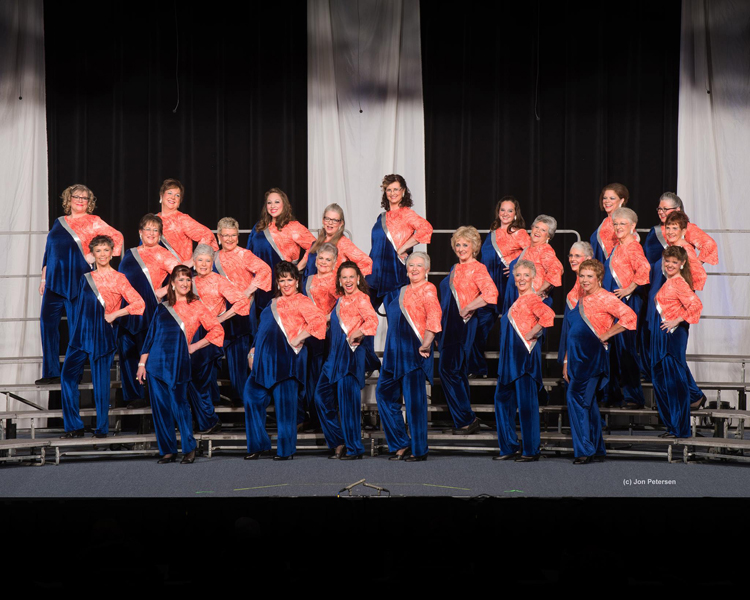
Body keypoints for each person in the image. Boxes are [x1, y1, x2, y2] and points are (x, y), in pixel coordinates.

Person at [136, 266, 224, 464]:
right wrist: (142, 364)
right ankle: (168, 450)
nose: (184, 283)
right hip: (155, 365)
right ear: (172, 284)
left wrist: (194, 347)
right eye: (180, 280)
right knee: (161, 409)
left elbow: (217, 331)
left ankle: (189, 447)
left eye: (187, 279)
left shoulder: (197, 305)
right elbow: (150, 337)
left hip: (178, 364)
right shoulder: (162, 307)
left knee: (180, 406)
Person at [37, 184, 124, 385]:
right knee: (47, 325)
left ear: (89, 202)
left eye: (84, 198)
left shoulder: (93, 221)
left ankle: (72, 372)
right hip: (54, 282)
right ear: (69, 199)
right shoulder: (59, 222)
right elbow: (48, 253)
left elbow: (117, 237)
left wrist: (95, 256)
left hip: (79, 281)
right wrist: (44, 278)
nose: (80, 200)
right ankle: (51, 372)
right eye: (76, 196)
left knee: (77, 328)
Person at [60, 236, 144, 438]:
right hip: (80, 335)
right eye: (98, 250)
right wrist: (74, 334)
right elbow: (79, 308)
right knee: (67, 377)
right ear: (93, 254)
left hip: (102, 335)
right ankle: (74, 426)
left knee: (100, 382)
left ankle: (102, 428)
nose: (103, 254)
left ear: (112, 251)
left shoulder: (119, 278)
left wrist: (116, 314)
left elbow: (139, 304)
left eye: (106, 250)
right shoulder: (85, 277)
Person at [243, 262, 326, 460]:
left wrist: (299, 337)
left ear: (297, 281)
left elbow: (320, 323)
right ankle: (259, 445)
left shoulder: (302, 301)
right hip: (263, 363)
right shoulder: (272, 303)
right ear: (278, 283)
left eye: (290, 279)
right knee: (251, 398)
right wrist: (252, 351)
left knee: (285, 407)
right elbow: (261, 331)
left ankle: (286, 450)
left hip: (287, 361)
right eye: (282, 280)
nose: (286, 283)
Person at [562, 259, 637, 464]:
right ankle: (597, 448)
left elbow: (630, 318)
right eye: (582, 276)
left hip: (592, 357)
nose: (584, 280)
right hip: (576, 359)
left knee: (576, 399)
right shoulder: (581, 300)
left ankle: (584, 450)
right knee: (588, 404)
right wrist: (567, 361)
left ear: (599, 278)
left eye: (589, 276)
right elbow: (572, 333)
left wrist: (605, 335)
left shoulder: (606, 298)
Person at [376, 252, 442, 462]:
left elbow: (434, 315)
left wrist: (427, 342)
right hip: (393, 355)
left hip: (414, 353)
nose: (414, 269)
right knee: (384, 396)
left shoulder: (428, 289)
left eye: (419, 265)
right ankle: (401, 443)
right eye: (411, 265)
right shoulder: (401, 290)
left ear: (427, 269)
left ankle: (419, 449)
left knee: (415, 405)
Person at [315, 262, 379, 460]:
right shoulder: (341, 300)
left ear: (358, 278)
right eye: (344, 277)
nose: (348, 281)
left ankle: (354, 448)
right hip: (333, 359)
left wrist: (358, 332)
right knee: (320, 398)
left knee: (348, 405)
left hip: (350, 357)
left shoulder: (362, 298)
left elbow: (372, 321)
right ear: (340, 281)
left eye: (352, 277)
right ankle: (339, 441)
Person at [438, 226, 498, 434]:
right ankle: (464, 419)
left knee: (449, 370)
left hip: (462, 325)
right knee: (456, 372)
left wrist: (469, 306)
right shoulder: (455, 267)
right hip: (449, 326)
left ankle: (466, 419)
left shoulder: (477, 268)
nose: (461, 248)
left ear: (474, 247)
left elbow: (491, 294)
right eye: (458, 244)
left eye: (465, 244)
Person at [493, 260, 555, 461]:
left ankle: (530, 450)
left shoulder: (533, 299)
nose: (521, 279)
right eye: (517, 275)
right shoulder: (516, 301)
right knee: (502, 402)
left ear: (533, 278)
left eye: (525, 275)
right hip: (507, 362)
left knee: (527, 407)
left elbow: (549, 316)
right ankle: (509, 446)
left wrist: (533, 332)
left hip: (524, 360)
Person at [118, 214, 180, 409]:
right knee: (126, 352)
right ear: (140, 232)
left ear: (160, 235)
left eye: (156, 230)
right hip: (126, 310)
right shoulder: (130, 253)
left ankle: (156, 396)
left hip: (148, 310)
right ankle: (134, 396)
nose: (151, 233)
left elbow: (182, 275)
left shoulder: (163, 254)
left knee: (149, 354)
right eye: (148, 229)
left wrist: (161, 291)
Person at [190, 244, 250, 433]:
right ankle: (202, 419)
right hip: (191, 335)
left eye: (208, 260)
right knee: (194, 379)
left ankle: (209, 420)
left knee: (201, 379)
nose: (204, 264)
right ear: (194, 262)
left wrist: (221, 318)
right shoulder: (188, 281)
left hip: (211, 335)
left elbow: (242, 302)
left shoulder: (219, 281)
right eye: (200, 260)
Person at [214, 217, 273, 402]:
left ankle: (249, 398)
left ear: (238, 237)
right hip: (221, 311)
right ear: (219, 236)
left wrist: (247, 291)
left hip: (243, 311)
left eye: (233, 235)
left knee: (243, 357)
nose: (229, 239)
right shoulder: (214, 256)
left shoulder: (244, 254)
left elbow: (265, 270)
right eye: (226, 235)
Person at [472, 196, 530, 376]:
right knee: (477, 327)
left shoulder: (519, 232)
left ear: (515, 214)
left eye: (509, 210)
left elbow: (531, 252)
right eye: (502, 210)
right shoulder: (492, 233)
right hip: (489, 286)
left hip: (508, 285)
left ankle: (511, 370)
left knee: (510, 328)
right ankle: (478, 368)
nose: (505, 214)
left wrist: (515, 264)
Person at [650, 246, 703, 438]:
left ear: (682, 264)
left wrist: (677, 319)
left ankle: (680, 429)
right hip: (662, 336)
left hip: (672, 336)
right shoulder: (669, 281)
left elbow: (696, 305)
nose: (670, 265)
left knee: (673, 384)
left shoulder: (679, 283)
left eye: (674, 262)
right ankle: (673, 426)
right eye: (668, 261)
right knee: (662, 382)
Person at [601, 208, 650, 408]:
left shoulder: (632, 247)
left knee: (626, 349)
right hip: (613, 303)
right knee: (613, 349)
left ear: (633, 226)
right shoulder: (618, 246)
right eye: (616, 224)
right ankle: (613, 394)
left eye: (623, 224)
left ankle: (634, 396)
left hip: (627, 303)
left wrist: (629, 289)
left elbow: (645, 269)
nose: (619, 227)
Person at [367, 174, 433, 309]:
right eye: (389, 190)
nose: (392, 193)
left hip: (395, 275)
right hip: (375, 275)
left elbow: (426, 229)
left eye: (396, 189)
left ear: (403, 191)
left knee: (395, 319)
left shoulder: (407, 214)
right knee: (363, 319)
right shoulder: (381, 217)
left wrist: (403, 247)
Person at [299, 243, 340, 430]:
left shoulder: (337, 280)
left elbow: (343, 304)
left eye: (328, 259)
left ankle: (329, 420)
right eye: (321, 258)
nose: (323, 262)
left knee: (327, 377)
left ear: (335, 262)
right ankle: (314, 418)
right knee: (311, 377)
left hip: (330, 334)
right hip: (311, 334)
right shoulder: (307, 280)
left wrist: (326, 318)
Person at [503, 215, 563, 313]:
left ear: (548, 236)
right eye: (536, 227)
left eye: (543, 230)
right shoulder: (528, 249)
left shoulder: (545, 250)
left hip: (531, 302)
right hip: (516, 297)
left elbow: (557, 270)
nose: (538, 231)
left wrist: (540, 291)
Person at [642, 192, 718, 267]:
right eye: (659, 209)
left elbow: (709, 244)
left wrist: (695, 265)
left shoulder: (686, 227)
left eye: (665, 209)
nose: (661, 212)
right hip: (654, 277)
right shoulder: (654, 231)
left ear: (677, 209)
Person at [155, 178, 218, 263]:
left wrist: (192, 261)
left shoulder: (182, 219)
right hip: (157, 271)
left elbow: (207, 235)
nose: (173, 197)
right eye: (169, 193)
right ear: (161, 196)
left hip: (178, 272)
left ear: (179, 201)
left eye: (177, 195)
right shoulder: (153, 219)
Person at [304, 203, 372, 279]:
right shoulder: (317, 242)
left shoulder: (343, 243)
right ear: (323, 220)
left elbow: (367, 263)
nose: (330, 222)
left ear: (341, 223)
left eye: (335, 220)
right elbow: (304, 263)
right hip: (313, 286)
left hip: (333, 288)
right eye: (327, 219)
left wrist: (350, 280)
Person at [557, 241, 594, 370]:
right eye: (571, 255)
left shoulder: (592, 286)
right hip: (572, 341)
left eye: (577, 256)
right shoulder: (576, 283)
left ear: (588, 258)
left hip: (585, 346)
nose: (572, 259)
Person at [664, 211, 707, 292]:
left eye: (675, 228)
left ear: (683, 231)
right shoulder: (673, 247)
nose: (670, 232)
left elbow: (699, 273)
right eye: (668, 228)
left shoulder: (686, 249)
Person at [589, 183, 628, 263]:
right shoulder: (606, 221)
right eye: (605, 198)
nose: (607, 201)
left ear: (622, 200)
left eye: (612, 198)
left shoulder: (623, 220)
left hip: (613, 269)